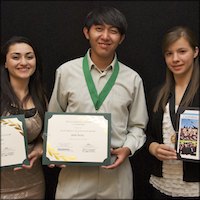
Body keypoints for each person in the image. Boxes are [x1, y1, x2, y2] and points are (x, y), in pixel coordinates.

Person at [48, 6, 148, 199]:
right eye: (99, 29)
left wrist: (127, 148)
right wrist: (54, 150)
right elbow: (54, 120)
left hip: (115, 174)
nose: (105, 36)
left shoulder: (133, 79)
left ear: (122, 38)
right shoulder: (66, 72)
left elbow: (137, 126)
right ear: (87, 32)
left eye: (113, 31)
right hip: (74, 176)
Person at [145, 26, 200, 199]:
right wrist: (152, 147)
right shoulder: (156, 94)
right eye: (169, 53)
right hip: (162, 185)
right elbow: (146, 134)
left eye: (182, 51)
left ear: (195, 52)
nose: (175, 59)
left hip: (195, 187)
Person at [0, 36, 47, 199]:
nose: (23, 62)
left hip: (33, 183)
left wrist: (41, 147)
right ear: (5, 63)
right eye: (15, 57)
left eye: (29, 56)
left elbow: (44, 135)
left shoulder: (41, 97)